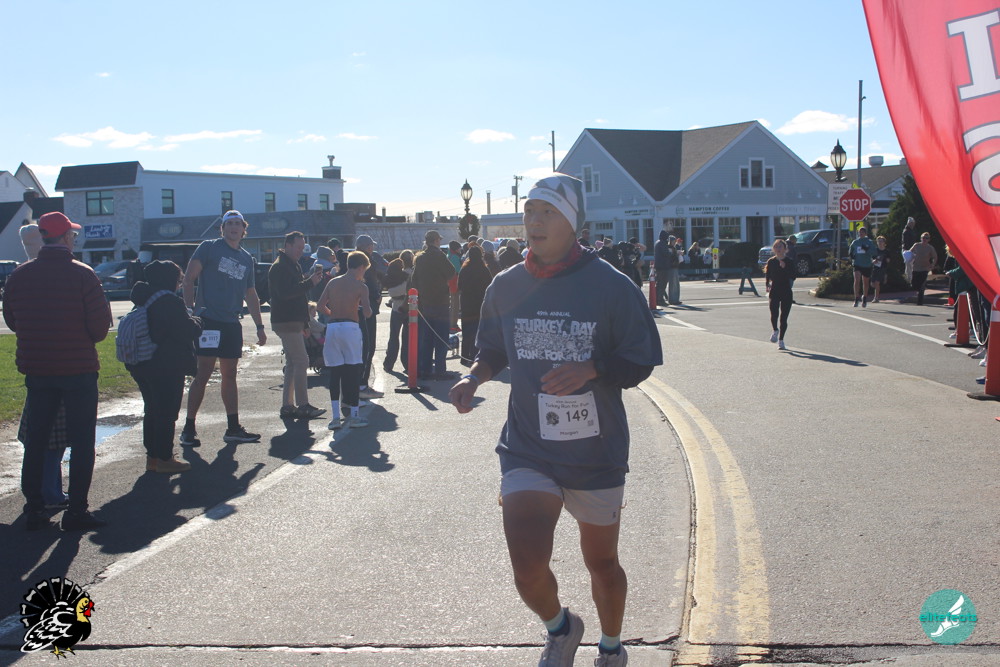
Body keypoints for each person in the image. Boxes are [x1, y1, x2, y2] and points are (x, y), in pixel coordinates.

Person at [449, 174, 662, 666]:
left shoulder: (611, 286)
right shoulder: (507, 285)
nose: (535, 221)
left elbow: (641, 360)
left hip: (595, 453)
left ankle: (611, 647)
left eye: (548, 212)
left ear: (572, 222)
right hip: (529, 447)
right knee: (526, 566)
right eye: (530, 211)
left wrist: (593, 368)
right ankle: (561, 629)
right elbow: (493, 350)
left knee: (601, 564)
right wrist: (474, 377)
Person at [4, 211, 113, 531]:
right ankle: (76, 509)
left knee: (37, 440)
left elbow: (12, 320)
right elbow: (99, 329)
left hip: (38, 368)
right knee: (82, 442)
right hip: (78, 368)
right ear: (65, 237)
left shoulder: (19, 275)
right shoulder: (83, 274)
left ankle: (35, 506)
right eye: (72, 235)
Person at [180, 210, 266, 447]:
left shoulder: (246, 258)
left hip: (231, 323)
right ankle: (188, 428)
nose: (234, 227)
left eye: (238, 224)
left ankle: (233, 428)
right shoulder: (209, 248)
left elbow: (250, 293)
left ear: (244, 229)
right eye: (229, 224)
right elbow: (189, 279)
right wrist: (189, 311)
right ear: (223, 228)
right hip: (208, 320)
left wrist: (259, 326)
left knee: (230, 374)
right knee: (203, 373)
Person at [128, 261, 204, 474]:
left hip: (142, 362)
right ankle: (164, 457)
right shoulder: (169, 301)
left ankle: (152, 457)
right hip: (166, 364)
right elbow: (185, 330)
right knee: (167, 413)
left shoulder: (144, 298)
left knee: (152, 410)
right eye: (179, 280)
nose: (179, 284)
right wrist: (197, 321)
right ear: (169, 280)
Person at [268, 231, 326, 420]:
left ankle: (288, 406)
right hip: (287, 320)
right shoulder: (280, 267)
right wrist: (310, 283)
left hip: (290, 320)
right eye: (299, 247)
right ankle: (303, 405)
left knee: (293, 362)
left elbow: (297, 296)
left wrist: (305, 323)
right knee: (301, 361)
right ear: (288, 245)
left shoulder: (291, 264)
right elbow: (286, 293)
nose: (301, 251)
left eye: (303, 248)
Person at [316, 251, 372, 429]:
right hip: (350, 327)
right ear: (361, 267)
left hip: (333, 328)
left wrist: (333, 313)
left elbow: (320, 306)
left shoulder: (333, 282)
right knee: (353, 371)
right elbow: (368, 313)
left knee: (335, 372)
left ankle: (335, 418)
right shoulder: (361, 286)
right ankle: (354, 415)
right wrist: (360, 308)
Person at [412, 230, 457, 381]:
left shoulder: (420, 258)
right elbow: (451, 272)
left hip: (425, 303)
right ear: (436, 241)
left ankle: (425, 369)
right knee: (441, 339)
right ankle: (440, 370)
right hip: (440, 302)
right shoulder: (440, 256)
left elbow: (413, 279)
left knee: (427, 339)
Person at [355, 235, 387, 399]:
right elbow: (371, 283)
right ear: (367, 247)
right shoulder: (366, 262)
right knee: (367, 347)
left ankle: (360, 385)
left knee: (362, 347)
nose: (373, 248)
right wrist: (377, 295)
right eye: (371, 245)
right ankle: (362, 385)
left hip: (356, 309)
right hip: (367, 308)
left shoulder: (351, 261)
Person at [457, 244, 492, 367]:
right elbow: (490, 286)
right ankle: (475, 356)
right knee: (478, 331)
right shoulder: (484, 269)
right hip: (480, 304)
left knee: (466, 332)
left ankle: (464, 356)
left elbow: (459, 286)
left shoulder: (464, 269)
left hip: (467, 304)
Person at [765, 238, 796, 350]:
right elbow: (768, 274)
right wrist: (767, 284)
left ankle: (781, 340)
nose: (778, 249)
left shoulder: (789, 261)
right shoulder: (771, 261)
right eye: (776, 246)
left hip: (786, 291)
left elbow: (793, 276)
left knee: (784, 318)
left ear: (785, 249)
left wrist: (785, 268)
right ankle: (775, 330)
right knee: (774, 313)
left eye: (780, 247)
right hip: (774, 290)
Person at [382, 258, 410, 373]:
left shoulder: (391, 278)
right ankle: (407, 363)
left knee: (393, 337)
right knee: (407, 338)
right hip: (409, 309)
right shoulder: (408, 276)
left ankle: (389, 363)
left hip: (396, 308)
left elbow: (391, 292)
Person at [849, 227, 876, 307]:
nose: (861, 234)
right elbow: (851, 250)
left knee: (865, 282)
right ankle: (856, 298)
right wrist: (851, 255)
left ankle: (864, 298)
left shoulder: (869, 242)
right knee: (857, 280)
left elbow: (874, 253)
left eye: (862, 232)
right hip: (857, 263)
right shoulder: (855, 242)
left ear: (865, 233)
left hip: (867, 264)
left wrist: (867, 249)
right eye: (859, 232)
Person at [909, 232, 938, 305]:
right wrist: (908, 257)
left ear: (929, 239)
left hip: (925, 268)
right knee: (914, 284)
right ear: (921, 238)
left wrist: (932, 264)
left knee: (921, 285)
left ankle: (920, 302)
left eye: (926, 238)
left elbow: (935, 257)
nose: (924, 239)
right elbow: (909, 253)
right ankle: (918, 292)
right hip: (915, 268)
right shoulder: (916, 245)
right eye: (923, 238)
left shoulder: (930, 248)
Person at [653, 231, 672, 306]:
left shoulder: (657, 243)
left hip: (658, 265)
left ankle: (657, 299)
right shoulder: (662, 244)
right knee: (662, 283)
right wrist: (670, 252)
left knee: (659, 283)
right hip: (663, 266)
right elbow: (666, 253)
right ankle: (660, 300)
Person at [870, 235, 891, 303]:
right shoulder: (875, 250)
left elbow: (888, 260)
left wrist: (885, 259)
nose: (880, 243)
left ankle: (876, 298)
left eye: (881, 241)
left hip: (882, 268)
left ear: (884, 243)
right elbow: (872, 259)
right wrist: (874, 261)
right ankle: (885, 277)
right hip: (875, 268)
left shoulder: (886, 251)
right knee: (872, 284)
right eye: (878, 241)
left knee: (877, 283)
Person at [448, 240, 463, 328]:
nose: (460, 250)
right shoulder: (455, 257)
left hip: (450, 282)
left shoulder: (449, 256)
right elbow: (459, 270)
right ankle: (453, 324)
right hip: (455, 283)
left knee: (452, 304)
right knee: (455, 304)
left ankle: (451, 323)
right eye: (459, 248)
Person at [901, 217, 917, 285]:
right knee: (909, 266)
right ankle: (909, 280)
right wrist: (909, 250)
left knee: (909, 266)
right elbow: (907, 242)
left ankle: (909, 280)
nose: (913, 224)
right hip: (908, 250)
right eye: (912, 223)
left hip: (909, 250)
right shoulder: (907, 231)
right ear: (909, 223)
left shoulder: (909, 230)